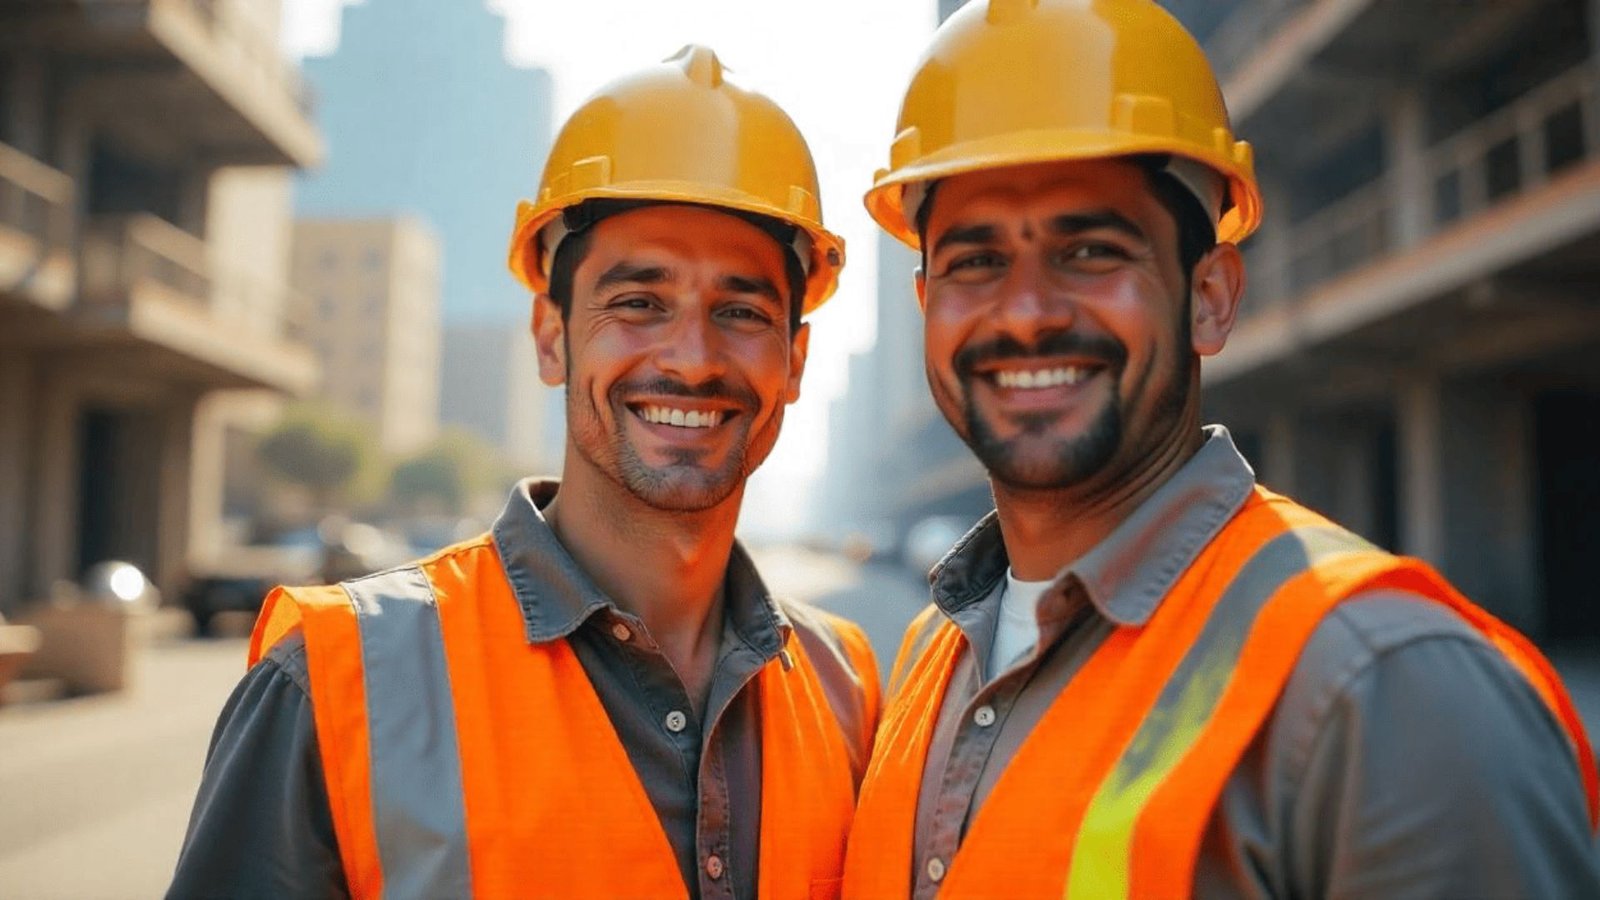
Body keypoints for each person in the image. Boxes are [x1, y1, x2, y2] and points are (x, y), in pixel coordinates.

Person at [840, 2, 1600, 897]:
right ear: (927, 306)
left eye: (1090, 251)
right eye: (975, 261)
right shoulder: (932, 658)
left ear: (1209, 297)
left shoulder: (1384, 690)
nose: (1028, 312)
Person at [170, 46, 880, 900]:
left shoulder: (847, 686)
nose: (692, 359)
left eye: (741, 311)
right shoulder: (338, 680)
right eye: (638, 303)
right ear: (551, 337)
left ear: (794, 360)